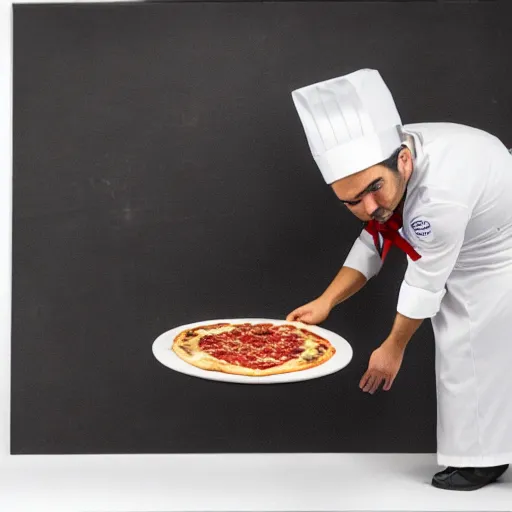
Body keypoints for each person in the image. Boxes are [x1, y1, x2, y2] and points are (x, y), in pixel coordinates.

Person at [286, 68, 512, 491]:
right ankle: (485, 456)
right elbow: (374, 239)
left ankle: (481, 462)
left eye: (374, 189)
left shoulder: (437, 198)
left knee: (469, 348)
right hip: (467, 229)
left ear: (403, 162)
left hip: (499, 248)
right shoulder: (390, 167)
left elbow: (424, 282)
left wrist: (393, 347)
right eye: (351, 200)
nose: (368, 205)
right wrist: (326, 301)